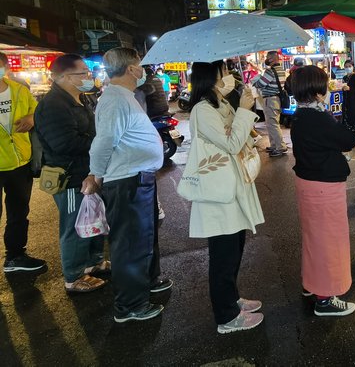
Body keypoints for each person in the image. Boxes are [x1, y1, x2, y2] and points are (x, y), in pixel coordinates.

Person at [83, 47, 171, 323]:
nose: (141, 69)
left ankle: (146, 283)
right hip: (127, 181)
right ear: (131, 69)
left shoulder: (123, 96)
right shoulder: (115, 100)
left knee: (143, 238)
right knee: (130, 244)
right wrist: (95, 175)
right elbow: (103, 143)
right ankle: (130, 305)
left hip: (137, 178)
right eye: (139, 64)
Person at [186, 62, 265, 334]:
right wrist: (243, 109)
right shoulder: (202, 110)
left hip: (233, 188)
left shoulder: (220, 104)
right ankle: (226, 316)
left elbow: (238, 136)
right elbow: (229, 143)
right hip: (218, 194)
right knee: (223, 256)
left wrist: (251, 130)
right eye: (223, 74)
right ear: (211, 78)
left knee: (235, 249)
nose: (229, 78)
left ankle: (232, 298)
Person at [33, 54, 107, 292]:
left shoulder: (80, 99)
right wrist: (99, 141)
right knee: (75, 225)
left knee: (93, 219)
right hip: (70, 176)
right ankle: (73, 277)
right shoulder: (53, 105)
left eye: (87, 72)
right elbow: (64, 143)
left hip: (88, 171)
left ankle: (92, 263)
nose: (88, 76)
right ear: (63, 77)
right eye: (82, 73)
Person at [290, 66, 355, 316]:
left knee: (314, 239)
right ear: (316, 90)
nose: (328, 88)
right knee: (330, 242)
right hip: (323, 187)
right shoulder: (317, 118)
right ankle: (325, 298)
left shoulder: (301, 115)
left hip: (309, 184)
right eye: (325, 85)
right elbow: (348, 140)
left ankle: (312, 284)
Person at [0, 52, 45, 273]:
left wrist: (31, 118)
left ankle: (15, 256)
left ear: (6, 68)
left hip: (20, 162)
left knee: (18, 212)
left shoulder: (19, 90)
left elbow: (39, 113)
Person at [252, 51, 289, 157]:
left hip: (271, 100)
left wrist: (256, 80)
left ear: (272, 58)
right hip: (276, 99)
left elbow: (260, 84)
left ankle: (280, 147)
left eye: (267, 57)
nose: (266, 59)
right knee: (271, 124)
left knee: (272, 124)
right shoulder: (281, 69)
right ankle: (274, 145)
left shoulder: (270, 71)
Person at [341, 59, 355, 130]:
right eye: (346, 66)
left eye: (349, 66)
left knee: (353, 120)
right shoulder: (345, 78)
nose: (348, 68)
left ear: (353, 67)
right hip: (347, 102)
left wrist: (350, 88)